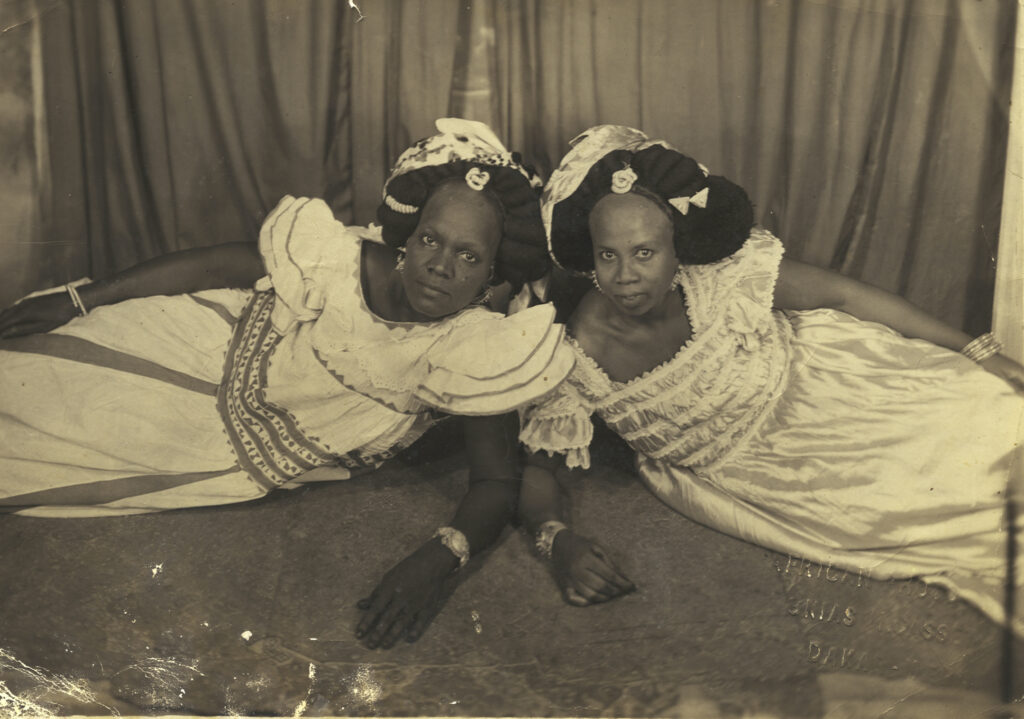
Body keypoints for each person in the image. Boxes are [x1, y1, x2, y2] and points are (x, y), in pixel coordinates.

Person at [0, 118, 573, 649]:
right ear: (409, 234)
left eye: (468, 255)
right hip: (202, 339)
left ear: (493, 271)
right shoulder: (349, 260)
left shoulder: (478, 349)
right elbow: (223, 266)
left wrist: (440, 555)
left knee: (44, 444)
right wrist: (85, 296)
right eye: (430, 240)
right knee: (30, 367)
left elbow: (496, 481)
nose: (440, 265)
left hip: (217, 444)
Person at [517, 124, 1024, 633]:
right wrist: (556, 539)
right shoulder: (577, 352)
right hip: (771, 471)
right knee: (940, 506)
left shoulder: (720, 277)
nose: (625, 276)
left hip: (826, 376)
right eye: (609, 255)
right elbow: (538, 465)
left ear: (677, 251)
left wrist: (975, 350)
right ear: (591, 258)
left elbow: (845, 295)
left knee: (993, 407)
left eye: (644, 252)